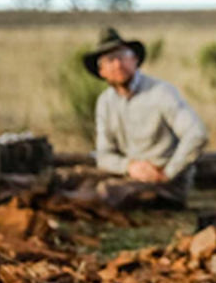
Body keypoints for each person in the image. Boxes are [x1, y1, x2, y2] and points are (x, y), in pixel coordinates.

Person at [85, 27, 208, 209]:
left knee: (105, 191)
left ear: (134, 60)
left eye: (123, 56)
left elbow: (197, 134)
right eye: (110, 60)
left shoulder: (161, 92)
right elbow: (103, 155)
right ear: (102, 70)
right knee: (68, 178)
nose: (118, 65)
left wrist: (168, 172)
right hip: (130, 175)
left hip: (166, 182)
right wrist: (129, 166)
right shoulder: (105, 102)